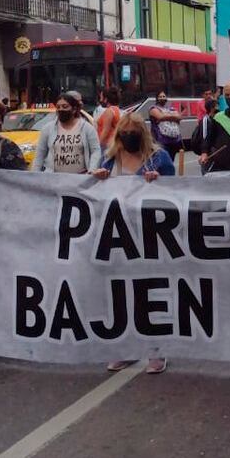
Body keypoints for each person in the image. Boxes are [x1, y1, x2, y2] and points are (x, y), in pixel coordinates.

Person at [93, 113, 175, 375]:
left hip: (150, 235)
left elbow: (179, 193)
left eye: (133, 131)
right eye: (124, 131)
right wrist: (97, 179)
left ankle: (156, 350)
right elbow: (93, 193)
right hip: (118, 237)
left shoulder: (159, 158)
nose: (128, 136)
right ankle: (125, 349)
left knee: (150, 292)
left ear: (142, 133)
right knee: (121, 293)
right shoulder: (109, 159)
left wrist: (159, 184)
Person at [31, 92, 101, 174]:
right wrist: (34, 175)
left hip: (80, 179)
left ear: (74, 109)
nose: (61, 109)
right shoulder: (47, 129)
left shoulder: (87, 128)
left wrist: (92, 171)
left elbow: (95, 151)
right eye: (58, 107)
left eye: (65, 107)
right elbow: (39, 155)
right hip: (53, 180)